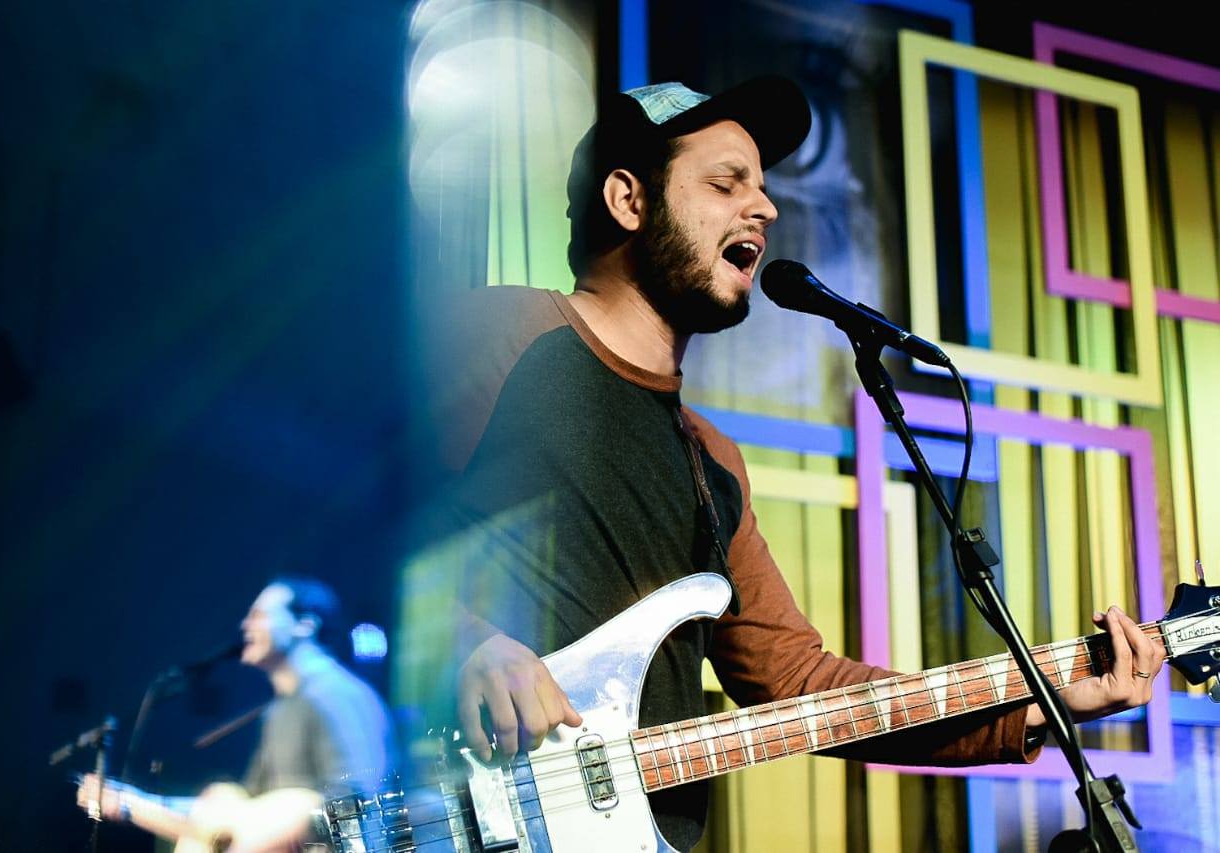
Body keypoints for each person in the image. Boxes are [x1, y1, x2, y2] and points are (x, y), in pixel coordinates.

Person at [406, 74, 1169, 851]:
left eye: (763, 189)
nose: (765, 209)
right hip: (434, 815)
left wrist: (1039, 701)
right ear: (628, 200)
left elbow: (801, 686)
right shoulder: (498, 335)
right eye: (726, 182)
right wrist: (461, 640)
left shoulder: (713, 462)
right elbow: (319, 516)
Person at [77, 577, 392, 852]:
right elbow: (240, 816)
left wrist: (289, 824)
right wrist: (133, 803)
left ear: (304, 625)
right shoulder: (280, 710)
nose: (245, 625)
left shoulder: (336, 694)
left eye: (258, 615)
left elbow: (358, 802)